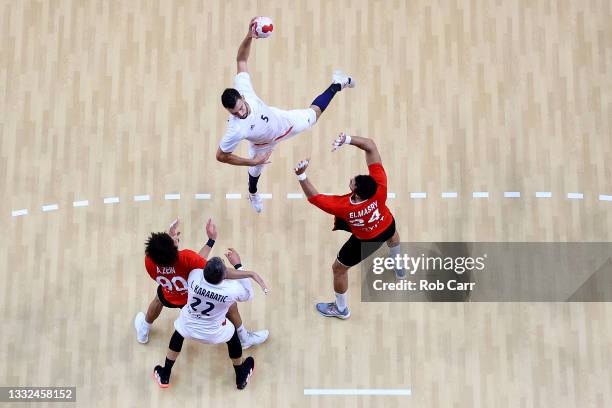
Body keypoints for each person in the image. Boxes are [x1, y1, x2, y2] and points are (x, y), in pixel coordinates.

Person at [216, 18, 355, 213]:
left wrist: (249, 36)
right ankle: (253, 194)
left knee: (314, 115)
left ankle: (337, 84)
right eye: (235, 112)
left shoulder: (243, 88)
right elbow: (221, 156)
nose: (241, 112)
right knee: (254, 173)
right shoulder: (236, 129)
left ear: (241, 97)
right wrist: (252, 161)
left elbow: (241, 60)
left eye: (240, 107)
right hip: (262, 146)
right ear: (228, 112)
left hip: (282, 122)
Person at [293, 133, 404, 319]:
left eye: (353, 182)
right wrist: (348, 140)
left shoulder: (342, 207)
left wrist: (301, 175)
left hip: (364, 240)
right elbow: (370, 145)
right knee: (393, 236)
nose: (352, 178)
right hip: (385, 223)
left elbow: (314, 197)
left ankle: (341, 309)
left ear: (356, 194)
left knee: (338, 269)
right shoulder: (380, 186)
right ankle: (399, 267)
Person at [134, 218, 268, 349]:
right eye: (175, 241)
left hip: (169, 294)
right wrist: (249, 273)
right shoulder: (186, 258)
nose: (175, 239)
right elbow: (222, 272)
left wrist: (171, 238)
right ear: (174, 250)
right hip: (191, 298)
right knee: (231, 304)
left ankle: (143, 331)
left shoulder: (149, 261)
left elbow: (170, 259)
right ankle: (244, 338)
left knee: (158, 299)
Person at [152, 249, 267, 389]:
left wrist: (210, 242)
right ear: (225, 276)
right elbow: (249, 294)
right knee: (232, 337)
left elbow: (198, 261)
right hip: (214, 333)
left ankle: (165, 373)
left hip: (188, 326)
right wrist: (238, 266)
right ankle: (241, 374)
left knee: (179, 332)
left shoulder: (194, 276)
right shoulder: (231, 290)